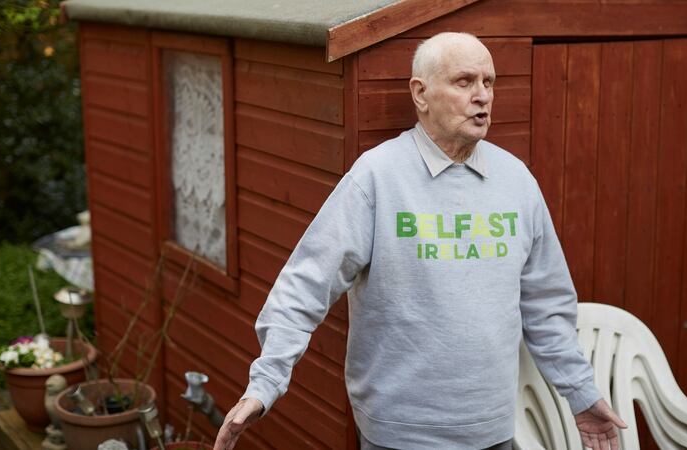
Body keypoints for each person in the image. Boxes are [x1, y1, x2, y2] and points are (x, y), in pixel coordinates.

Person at [214, 32, 627, 450]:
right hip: (399, 433)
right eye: (465, 81)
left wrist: (581, 393)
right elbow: (305, 285)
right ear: (420, 93)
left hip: (494, 429)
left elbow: (547, 305)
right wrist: (265, 383)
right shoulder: (378, 177)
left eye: (489, 82)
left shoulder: (516, 180)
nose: (482, 96)